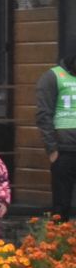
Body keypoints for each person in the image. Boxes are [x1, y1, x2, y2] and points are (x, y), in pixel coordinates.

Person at [37, 40, 76, 219]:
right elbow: (44, 114)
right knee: (62, 202)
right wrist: (51, 148)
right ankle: (60, 240)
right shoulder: (52, 77)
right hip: (64, 148)